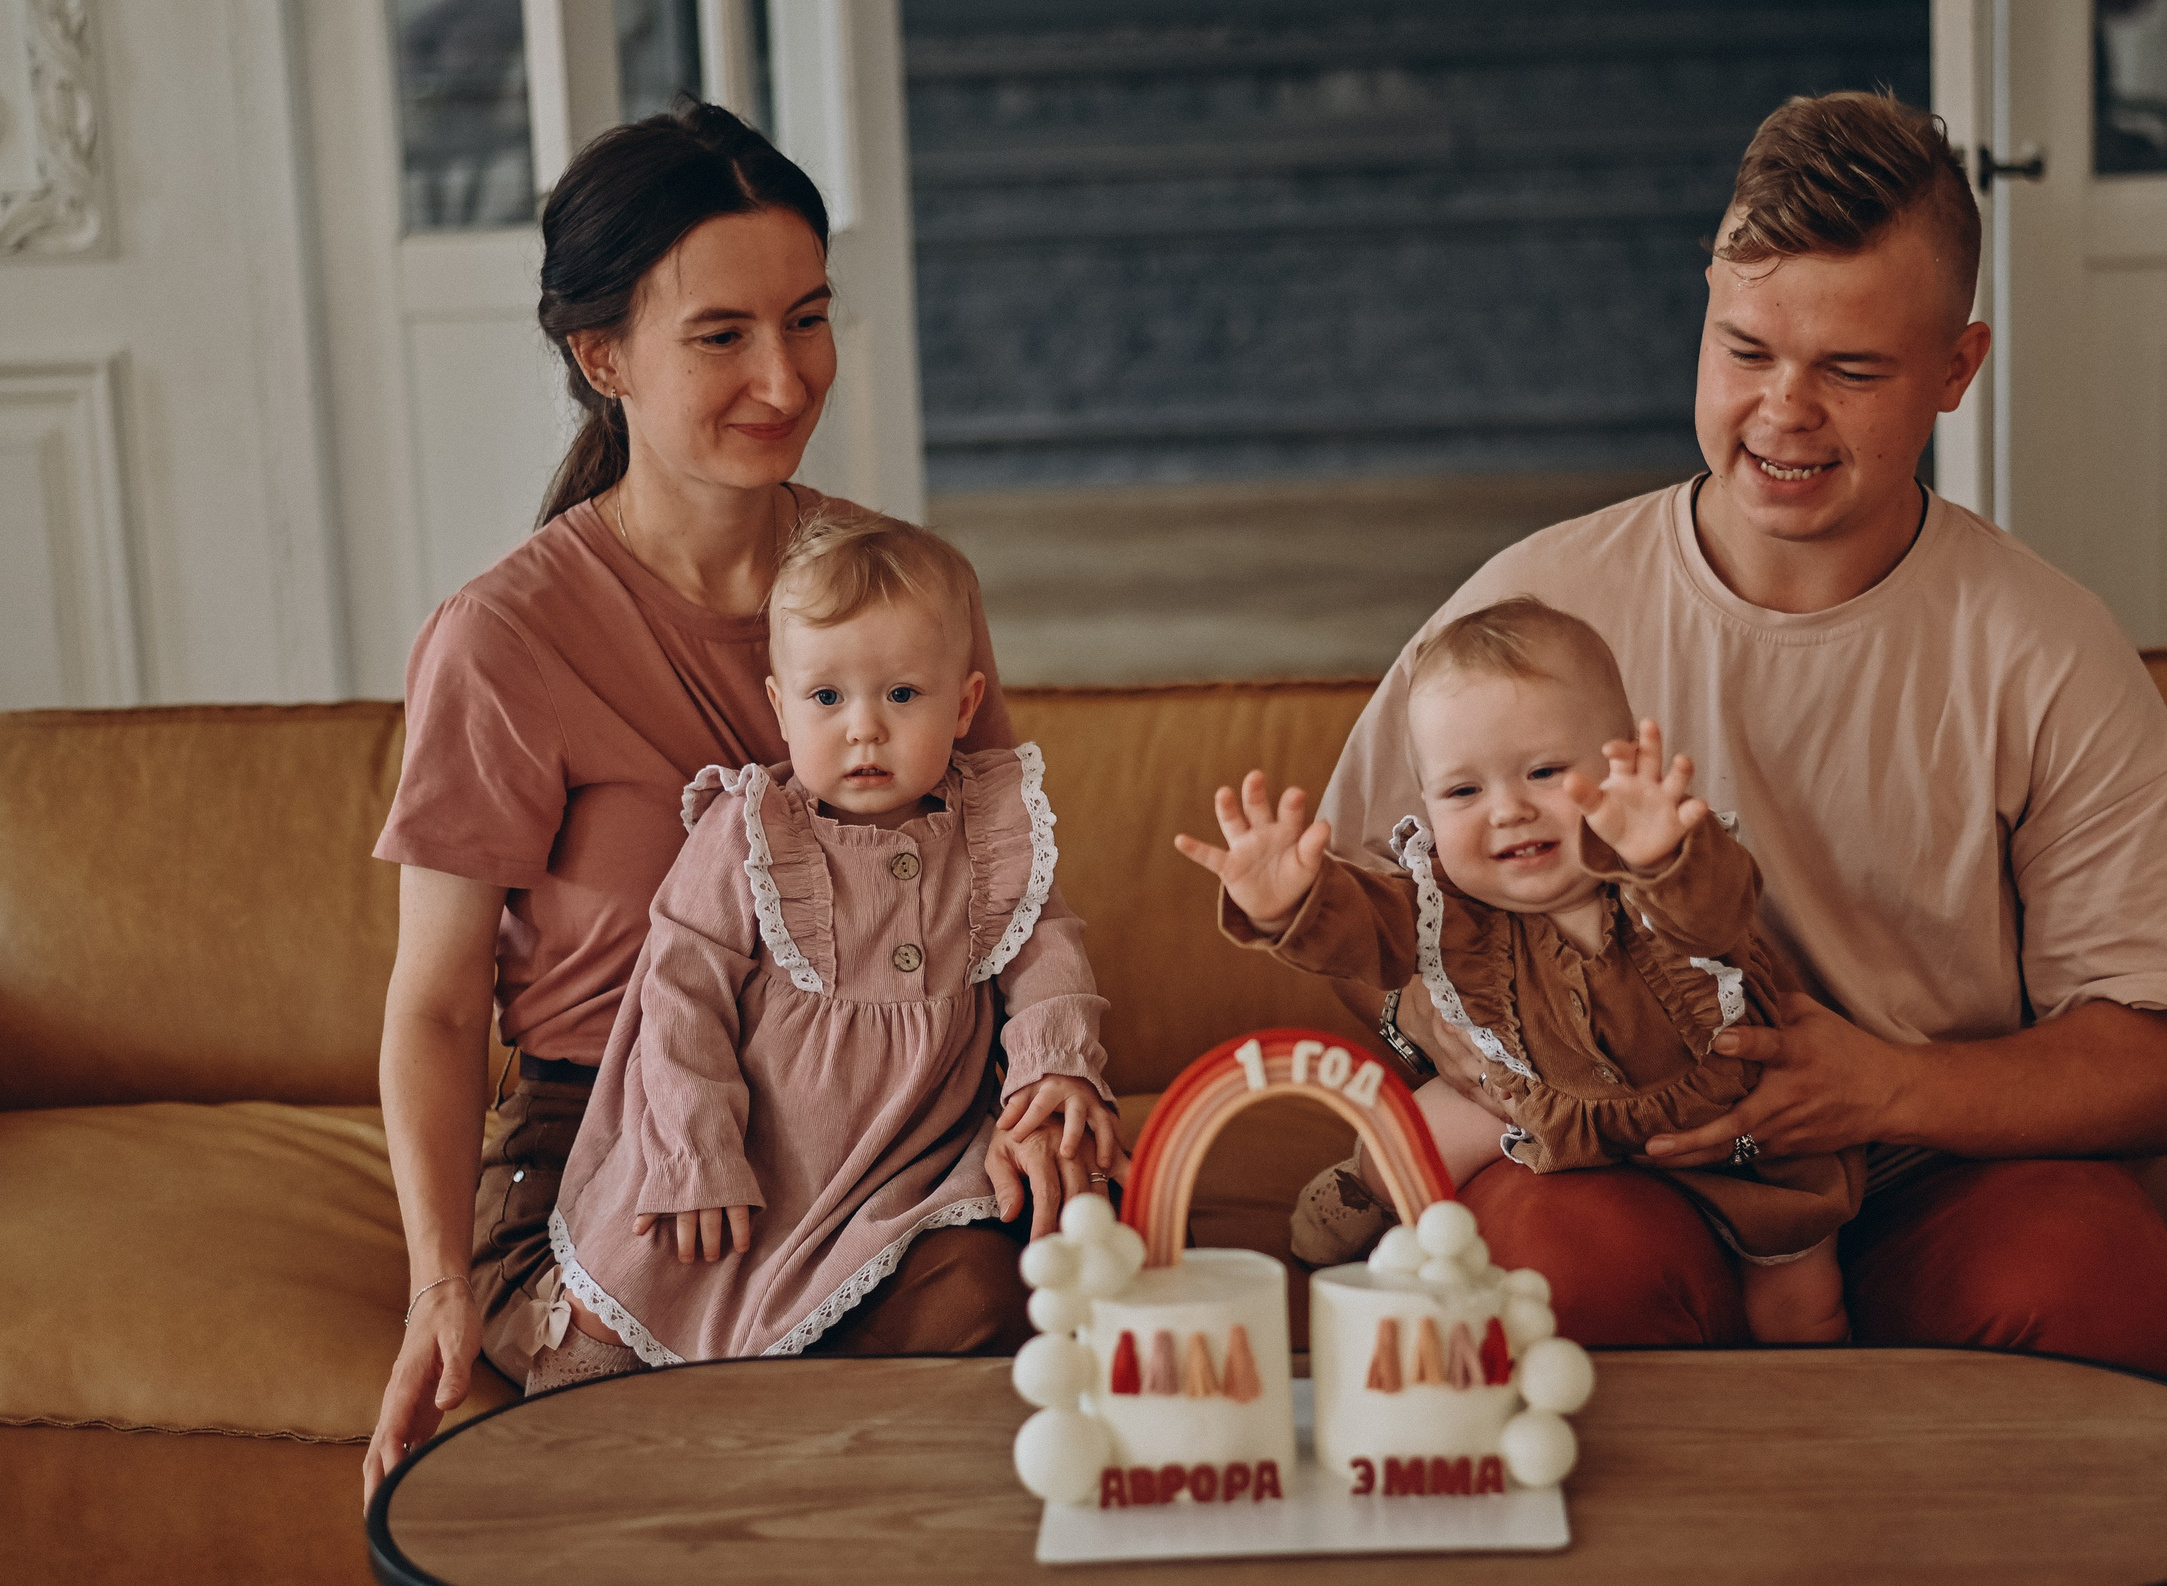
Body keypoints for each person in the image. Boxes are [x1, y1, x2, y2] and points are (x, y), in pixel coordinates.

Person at [1315, 91, 2167, 1380]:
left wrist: (1877, 1088)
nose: (1782, 412)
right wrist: (1544, 1067)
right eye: (1745, 349)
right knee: (1553, 1270)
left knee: (2094, 1281)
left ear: (1954, 370)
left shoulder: (2042, 643)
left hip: (1937, 1166)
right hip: (1627, 1163)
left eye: (1852, 369)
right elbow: (1369, 914)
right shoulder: (1529, 604)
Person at [361, 104, 1094, 1500]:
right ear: (601, 356)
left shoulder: (902, 591)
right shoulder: (503, 642)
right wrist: (434, 1286)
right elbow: (440, 1003)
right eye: (722, 335)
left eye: (807, 318)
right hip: (619, 1161)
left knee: (990, 1311)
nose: (784, 374)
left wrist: (1045, 1072)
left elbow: (1000, 881)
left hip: (898, 1138)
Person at [533, 513, 1116, 1390]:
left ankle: (827, 1404)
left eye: (903, 696)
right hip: (761, 1155)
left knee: (1027, 1252)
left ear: (964, 704)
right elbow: (679, 996)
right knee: (642, 1269)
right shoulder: (749, 832)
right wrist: (699, 1152)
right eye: (828, 698)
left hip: (916, 1157)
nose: (864, 730)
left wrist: (1051, 1071)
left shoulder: (992, 829)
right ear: (779, 705)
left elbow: (1046, 953)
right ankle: (576, 1424)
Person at [1179, 598, 1860, 1343]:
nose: (1507, 810)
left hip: (1728, 1127)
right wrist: (1291, 906)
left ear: (1618, 766)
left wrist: (1663, 854)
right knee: (1411, 1132)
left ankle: (1798, 1421)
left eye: (1543, 772)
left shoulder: (1665, 871)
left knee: (1800, 1292)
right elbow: (1361, 931)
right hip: (1535, 1102)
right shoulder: (1445, 904)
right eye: (1463, 791)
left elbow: (1717, 909)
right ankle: (1365, 1191)